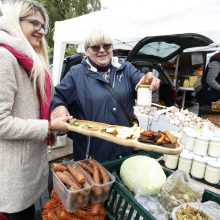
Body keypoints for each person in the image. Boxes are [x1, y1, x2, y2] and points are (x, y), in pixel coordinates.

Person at [0, 0, 72, 219]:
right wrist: (48, 126)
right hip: (11, 174)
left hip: (26, 167)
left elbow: (32, 105)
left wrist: (54, 110)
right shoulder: (5, 58)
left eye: (43, 26)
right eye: (35, 23)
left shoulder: (28, 56)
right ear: (15, 21)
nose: (41, 31)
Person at [51, 29, 160, 163]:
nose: (102, 50)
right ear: (86, 50)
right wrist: (58, 106)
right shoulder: (76, 74)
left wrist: (150, 81)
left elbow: (141, 81)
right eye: (95, 47)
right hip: (91, 152)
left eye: (106, 46)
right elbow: (58, 95)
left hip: (123, 146)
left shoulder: (126, 68)